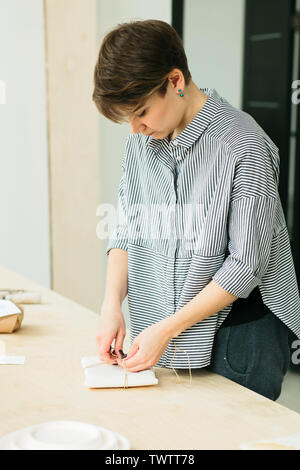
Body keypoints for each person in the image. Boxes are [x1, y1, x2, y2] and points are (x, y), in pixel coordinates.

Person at [92, 19, 300, 400]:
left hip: (238, 335)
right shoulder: (141, 142)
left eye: (141, 112)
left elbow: (245, 266)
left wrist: (166, 329)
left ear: (175, 81)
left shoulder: (244, 145)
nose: (136, 128)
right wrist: (111, 306)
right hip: (167, 329)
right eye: (127, 119)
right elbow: (127, 227)